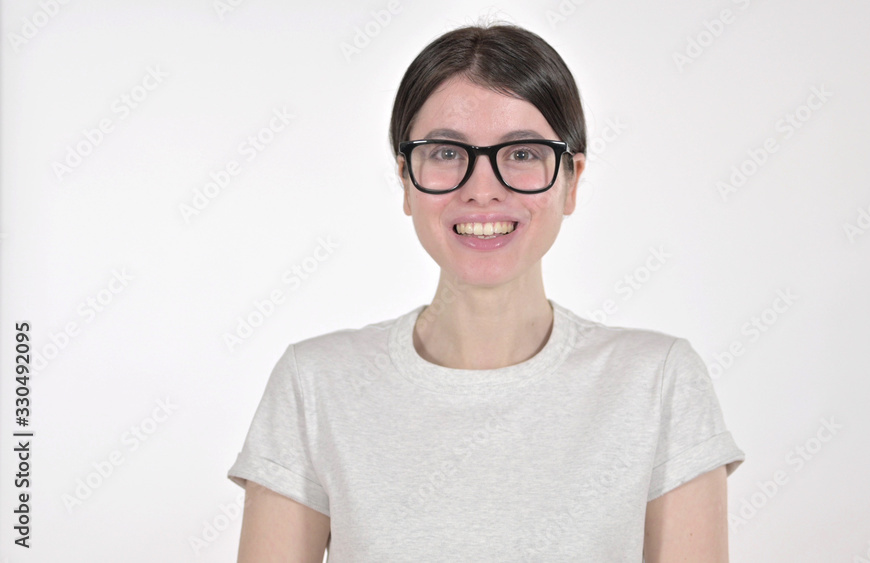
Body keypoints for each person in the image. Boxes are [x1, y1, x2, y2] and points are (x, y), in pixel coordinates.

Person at [227, 22, 744, 562]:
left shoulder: (658, 382)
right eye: (447, 153)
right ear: (405, 180)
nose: (481, 191)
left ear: (572, 180)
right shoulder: (314, 385)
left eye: (522, 154)